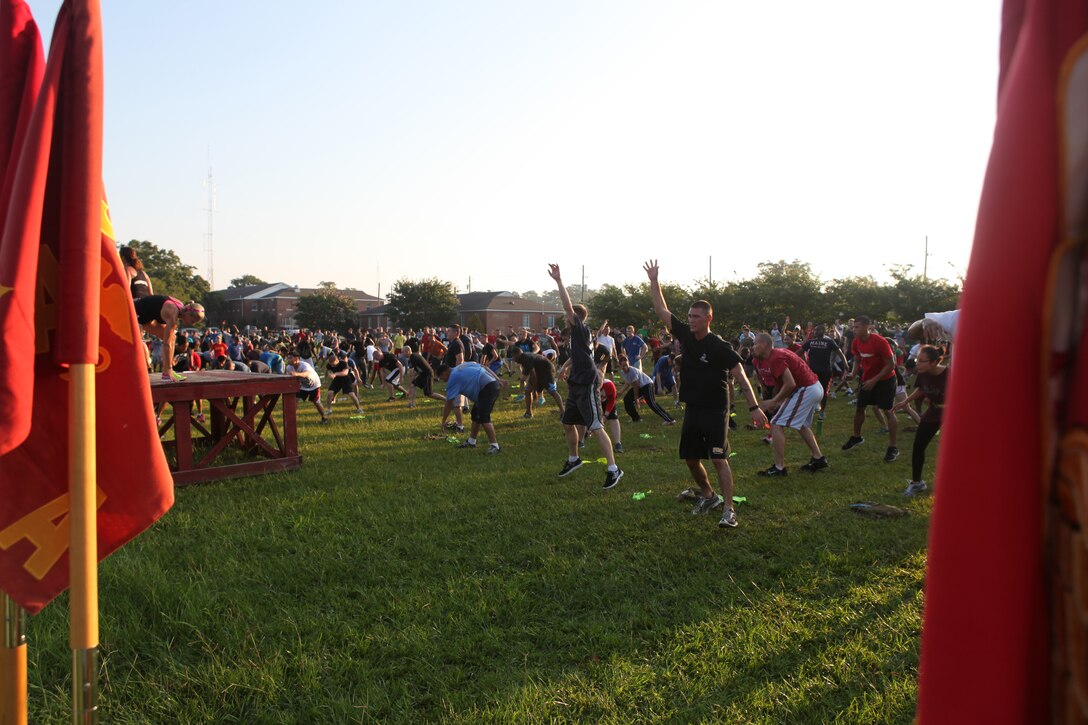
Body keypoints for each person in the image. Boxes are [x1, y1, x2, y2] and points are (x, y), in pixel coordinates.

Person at [644, 260, 768, 528]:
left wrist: (754, 407)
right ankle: (709, 496)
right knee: (690, 459)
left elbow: (741, 376)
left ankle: (729, 508)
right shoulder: (686, 336)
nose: (690, 320)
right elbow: (661, 310)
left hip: (715, 408)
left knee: (718, 458)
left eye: (696, 317)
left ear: (708, 319)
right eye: (689, 316)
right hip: (693, 407)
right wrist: (654, 281)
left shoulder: (718, 345)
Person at [548, 264, 624, 489]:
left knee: (595, 425)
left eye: (567, 316)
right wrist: (566, 367)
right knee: (568, 422)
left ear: (575, 317)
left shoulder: (580, 328)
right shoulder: (578, 337)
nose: (564, 319)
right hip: (576, 382)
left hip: (586, 383)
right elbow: (583, 355)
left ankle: (613, 469)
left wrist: (559, 281)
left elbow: (566, 305)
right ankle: (574, 459)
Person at [750, 333, 828, 475]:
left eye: (756, 343)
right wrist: (776, 400)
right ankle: (818, 458)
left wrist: (774, 401)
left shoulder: (775, 357)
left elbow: (790, 384)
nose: (753, 347)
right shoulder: (766, 358)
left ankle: (779, 467)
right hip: (812, 387)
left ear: (765, 345)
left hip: (806, 389)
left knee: (775, 423)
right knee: (803, 425)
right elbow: (779, 384)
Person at [842, 315, 900, 462]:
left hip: (886, 380)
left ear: (867, 327)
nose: (854, 330)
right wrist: (852, 374)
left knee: (888, 410)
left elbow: (891, 365)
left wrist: (875, 380)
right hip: (867, 379)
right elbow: (857, 360)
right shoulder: (856, 342)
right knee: (860, 408)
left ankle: (892, 447)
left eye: (857, 327)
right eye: (853, 327)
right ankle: (856, 437)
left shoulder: (880, 342)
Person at [893, 345, 949, 496]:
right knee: (918, 446)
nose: (917, 364)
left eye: (922, 361)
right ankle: (917, 483)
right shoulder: (923, 373)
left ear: (935, 362)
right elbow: (921, 389)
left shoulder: (950, 373)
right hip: (933, 411)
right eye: (918, 360)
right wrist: (906, 401)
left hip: (951, 413)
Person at [437, 362, 505, 454]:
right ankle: (471, 442)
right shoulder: (461, 366)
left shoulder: (453, 378)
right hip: (492, 384)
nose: (444, 381)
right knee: (475, 415)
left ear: (445, 373)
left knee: (483, 417)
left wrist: (443, 421)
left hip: (487, 388)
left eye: (442, 378)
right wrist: (498, 379)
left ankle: (495, 446)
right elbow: (483, 366)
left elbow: (449, 404)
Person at [133, 295, 205, 382]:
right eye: (193, 321)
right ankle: (167, 372)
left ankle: (168, 370)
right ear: (188, 314)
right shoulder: (173, 313)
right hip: (134, 311)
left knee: (173, 338)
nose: (192, 324)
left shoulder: (180, 307)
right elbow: (166, 344)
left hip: (146, 316)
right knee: (169, 340)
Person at [801, 324, 849, 419]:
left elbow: (840, 354)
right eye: (815, 330)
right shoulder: (812, 342)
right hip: (815, 370)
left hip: (824, 370)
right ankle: (816, 409)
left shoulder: (827, 342)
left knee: (823, 391)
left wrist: (846, 365)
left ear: (823, 331)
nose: (816, 332)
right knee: (814, 390)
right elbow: (799, 352)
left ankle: (821, 411)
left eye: (818, 330)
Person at [616, 353, 675, 424]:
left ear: (629, 363)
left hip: (647, 385)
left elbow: (635, 386)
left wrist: (636, 399)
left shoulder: (632, 371)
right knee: (627, 400)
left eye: (626, 365)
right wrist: (620, 392)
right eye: (623, 366)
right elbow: (628, 383)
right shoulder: (623, 372)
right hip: (640, 387)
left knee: (652, 404)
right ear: (619, 365)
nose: (625, 367)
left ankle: (669, 419)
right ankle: (636, 418)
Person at [510, 346, 564, 418]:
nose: (513, 359)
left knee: (552, 391)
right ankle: (528, 413)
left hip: (547, 371)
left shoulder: (526, 359)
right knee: (527, 390)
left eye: (513, 357)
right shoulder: (523, 359)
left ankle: (563, 412)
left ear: (518, 354)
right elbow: (527, 375)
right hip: (539, 371)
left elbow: (533, 376)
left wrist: (535, 391)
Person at [285, 350, 329, 424]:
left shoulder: (304, 365)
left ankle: (324, 418)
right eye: (288, 358)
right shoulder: (289, 367)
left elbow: (306, 374)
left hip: (314, 385)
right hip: (302, 386)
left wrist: (296, 374)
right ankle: (291, 419)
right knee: (295, 401)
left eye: (290, 358)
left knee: (316, 402)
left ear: (296, 359)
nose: (288, 360)